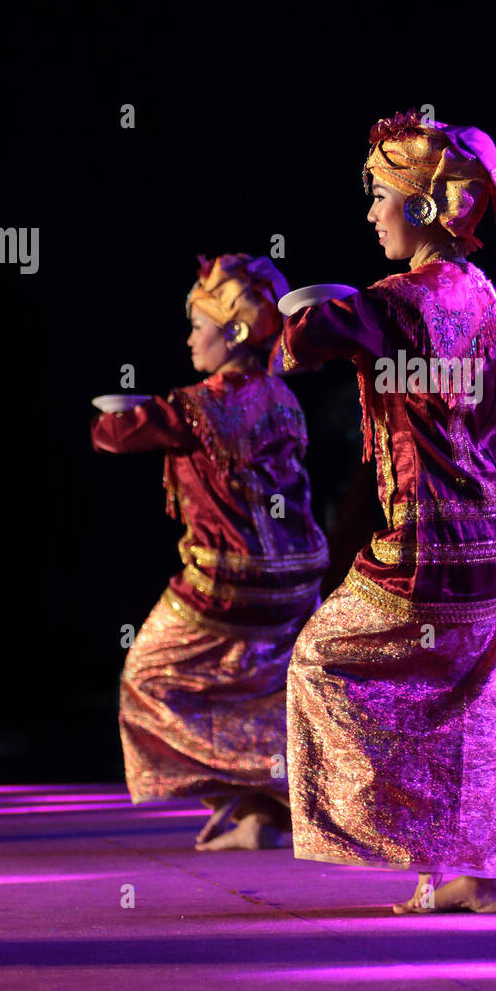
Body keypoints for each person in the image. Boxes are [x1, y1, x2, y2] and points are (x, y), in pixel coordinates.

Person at [280, 110, 496, 913]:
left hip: (429, 543)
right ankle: (470, 870)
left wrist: (308, 310)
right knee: (466, 701)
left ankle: (437, 849)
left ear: (419, 206)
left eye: (379, 196)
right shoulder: (481, 291)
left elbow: (294, 347)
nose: (371, 212)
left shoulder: (393, 299)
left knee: (319, 661)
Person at [91, 253, 329, 848]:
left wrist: (118, 417)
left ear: (236, 332)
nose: (190, 337)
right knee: (257, 685)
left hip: (225, 585)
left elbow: (117, 434)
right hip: (297, 585)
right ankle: (261, 812)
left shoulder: (197, 405)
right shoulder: (284, 399)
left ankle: (250, 788)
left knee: (148, 678)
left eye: (200, 325)